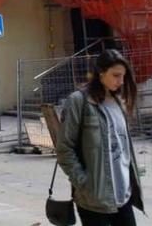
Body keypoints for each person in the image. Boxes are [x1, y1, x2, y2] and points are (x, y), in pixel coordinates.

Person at [56, 49, 145, 225]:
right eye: (116, 75)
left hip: (123, 193)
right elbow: (64, 148)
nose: (121, 81)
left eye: (123, 76)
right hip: (94, 199)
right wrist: (83, 182)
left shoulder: (119, 101)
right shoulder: (78, 101)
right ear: (101, 73)